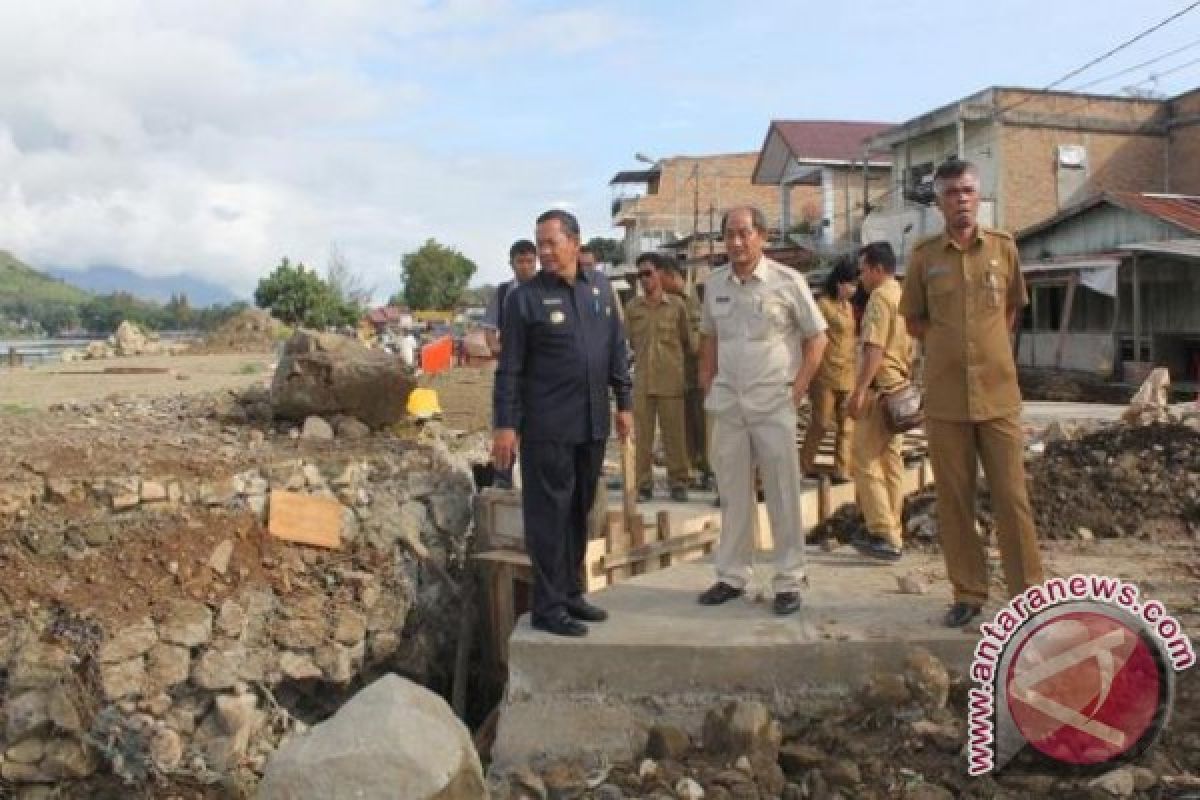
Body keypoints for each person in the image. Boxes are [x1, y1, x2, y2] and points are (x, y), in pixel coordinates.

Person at [899, 159, 1044, 628]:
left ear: (978, 196)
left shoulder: (1003, 249)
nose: (960, 199)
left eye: (967, 191)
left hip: (998, 396)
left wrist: (986, 351)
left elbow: (1009, 312)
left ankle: (1029, 598)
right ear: (938, 202)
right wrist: (950, 351)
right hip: (946, 400)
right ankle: (968, 592)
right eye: (950, 193)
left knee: (1011, 497)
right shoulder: (923, 256)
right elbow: (915, 321)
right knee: (954, 500)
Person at [492, 209, 633, 637]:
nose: (545, 252)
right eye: (540, 244)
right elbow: (510, 368)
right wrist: (505, 425)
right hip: (547, 427)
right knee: (548, 517)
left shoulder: (600, 289)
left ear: (574, 242)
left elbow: (615, 349)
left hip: (591, 425)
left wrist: (624, 402)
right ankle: (548, 607)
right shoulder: (525, 299)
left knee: (578, 513)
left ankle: (571, 593)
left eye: (552, 243)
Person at [697, 206, 827, 616]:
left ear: (762, 237)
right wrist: (708, 383)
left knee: (783, 492)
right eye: (729, 235)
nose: (736, 243)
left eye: (744, 234)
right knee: (733, 493)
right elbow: (708, 338)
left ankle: (788, 580)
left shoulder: (788, 283)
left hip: (774, 402)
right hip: (729, 404)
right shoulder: (715, 284)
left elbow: (817, 338)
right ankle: (732, 576)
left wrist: (799, 387)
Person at [845, 241, 912, 562]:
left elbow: (874, 349)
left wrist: (859, 390)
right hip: (899, 388)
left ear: (876, 269)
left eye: (862, 270)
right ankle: (893, 528)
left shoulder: (879, 299)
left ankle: (883, 532)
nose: (860, 277)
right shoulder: (902, 295)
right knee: (891, 462)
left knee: (863, 458)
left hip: (879, 389)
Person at [625, 252, 692, 502]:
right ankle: (643, 484)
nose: (644, 279)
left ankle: (678, 482)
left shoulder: (677, 307)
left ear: (660, 274)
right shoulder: (632, 309)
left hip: (670, 380)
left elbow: (687, 342)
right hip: (642, 381)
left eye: (648, 273)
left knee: (674, 435)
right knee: (642, 437)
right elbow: (628, 341)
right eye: (640, 275)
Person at [799, 257, 859, 483]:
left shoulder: (849, 308)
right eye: (849, 284)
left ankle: (841, 469)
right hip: (824, 374)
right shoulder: (823, 306)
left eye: (855, 285)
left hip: (847, 372)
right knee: (821, 422)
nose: (852, 290)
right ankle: (804, 464)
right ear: (839, 283)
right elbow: (811, 337)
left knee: (847, 425)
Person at [661, 258, 711, 489]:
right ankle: (689, 469)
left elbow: (700, 341)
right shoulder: (666, 302)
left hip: (697, 373)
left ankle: (708, 470)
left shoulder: (696, 300)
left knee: (704, 427)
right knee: (684, 429)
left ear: (671, 277)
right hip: (677, 376)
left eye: (662, 279)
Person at [483, 239, 539, 357]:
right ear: (511, 264)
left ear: (536, 262)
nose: (525, 266)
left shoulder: (548, 290)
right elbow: (489, 325)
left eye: (530, 261)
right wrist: (496, 348)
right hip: (512, 360)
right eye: (520, 262)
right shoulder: (502, 292)